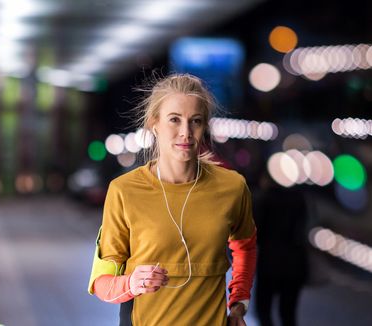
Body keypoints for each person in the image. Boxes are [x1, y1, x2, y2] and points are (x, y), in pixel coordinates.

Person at [87, 74, 257, 325]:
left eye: (195, 121)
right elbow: (101, 284)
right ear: (154, 123)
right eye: (174, 120)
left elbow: (245, 246)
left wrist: (238, 303)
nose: (185, 132)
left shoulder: (232, 187)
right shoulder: (124, 190)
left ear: (205, 126)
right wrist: (132, 283)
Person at [253, 172, 308, 326]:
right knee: (288, 314)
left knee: (264, 311)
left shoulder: (265, 199)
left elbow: (256, 232)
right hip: (294, 263)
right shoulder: (300, 198)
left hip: (270, 262)